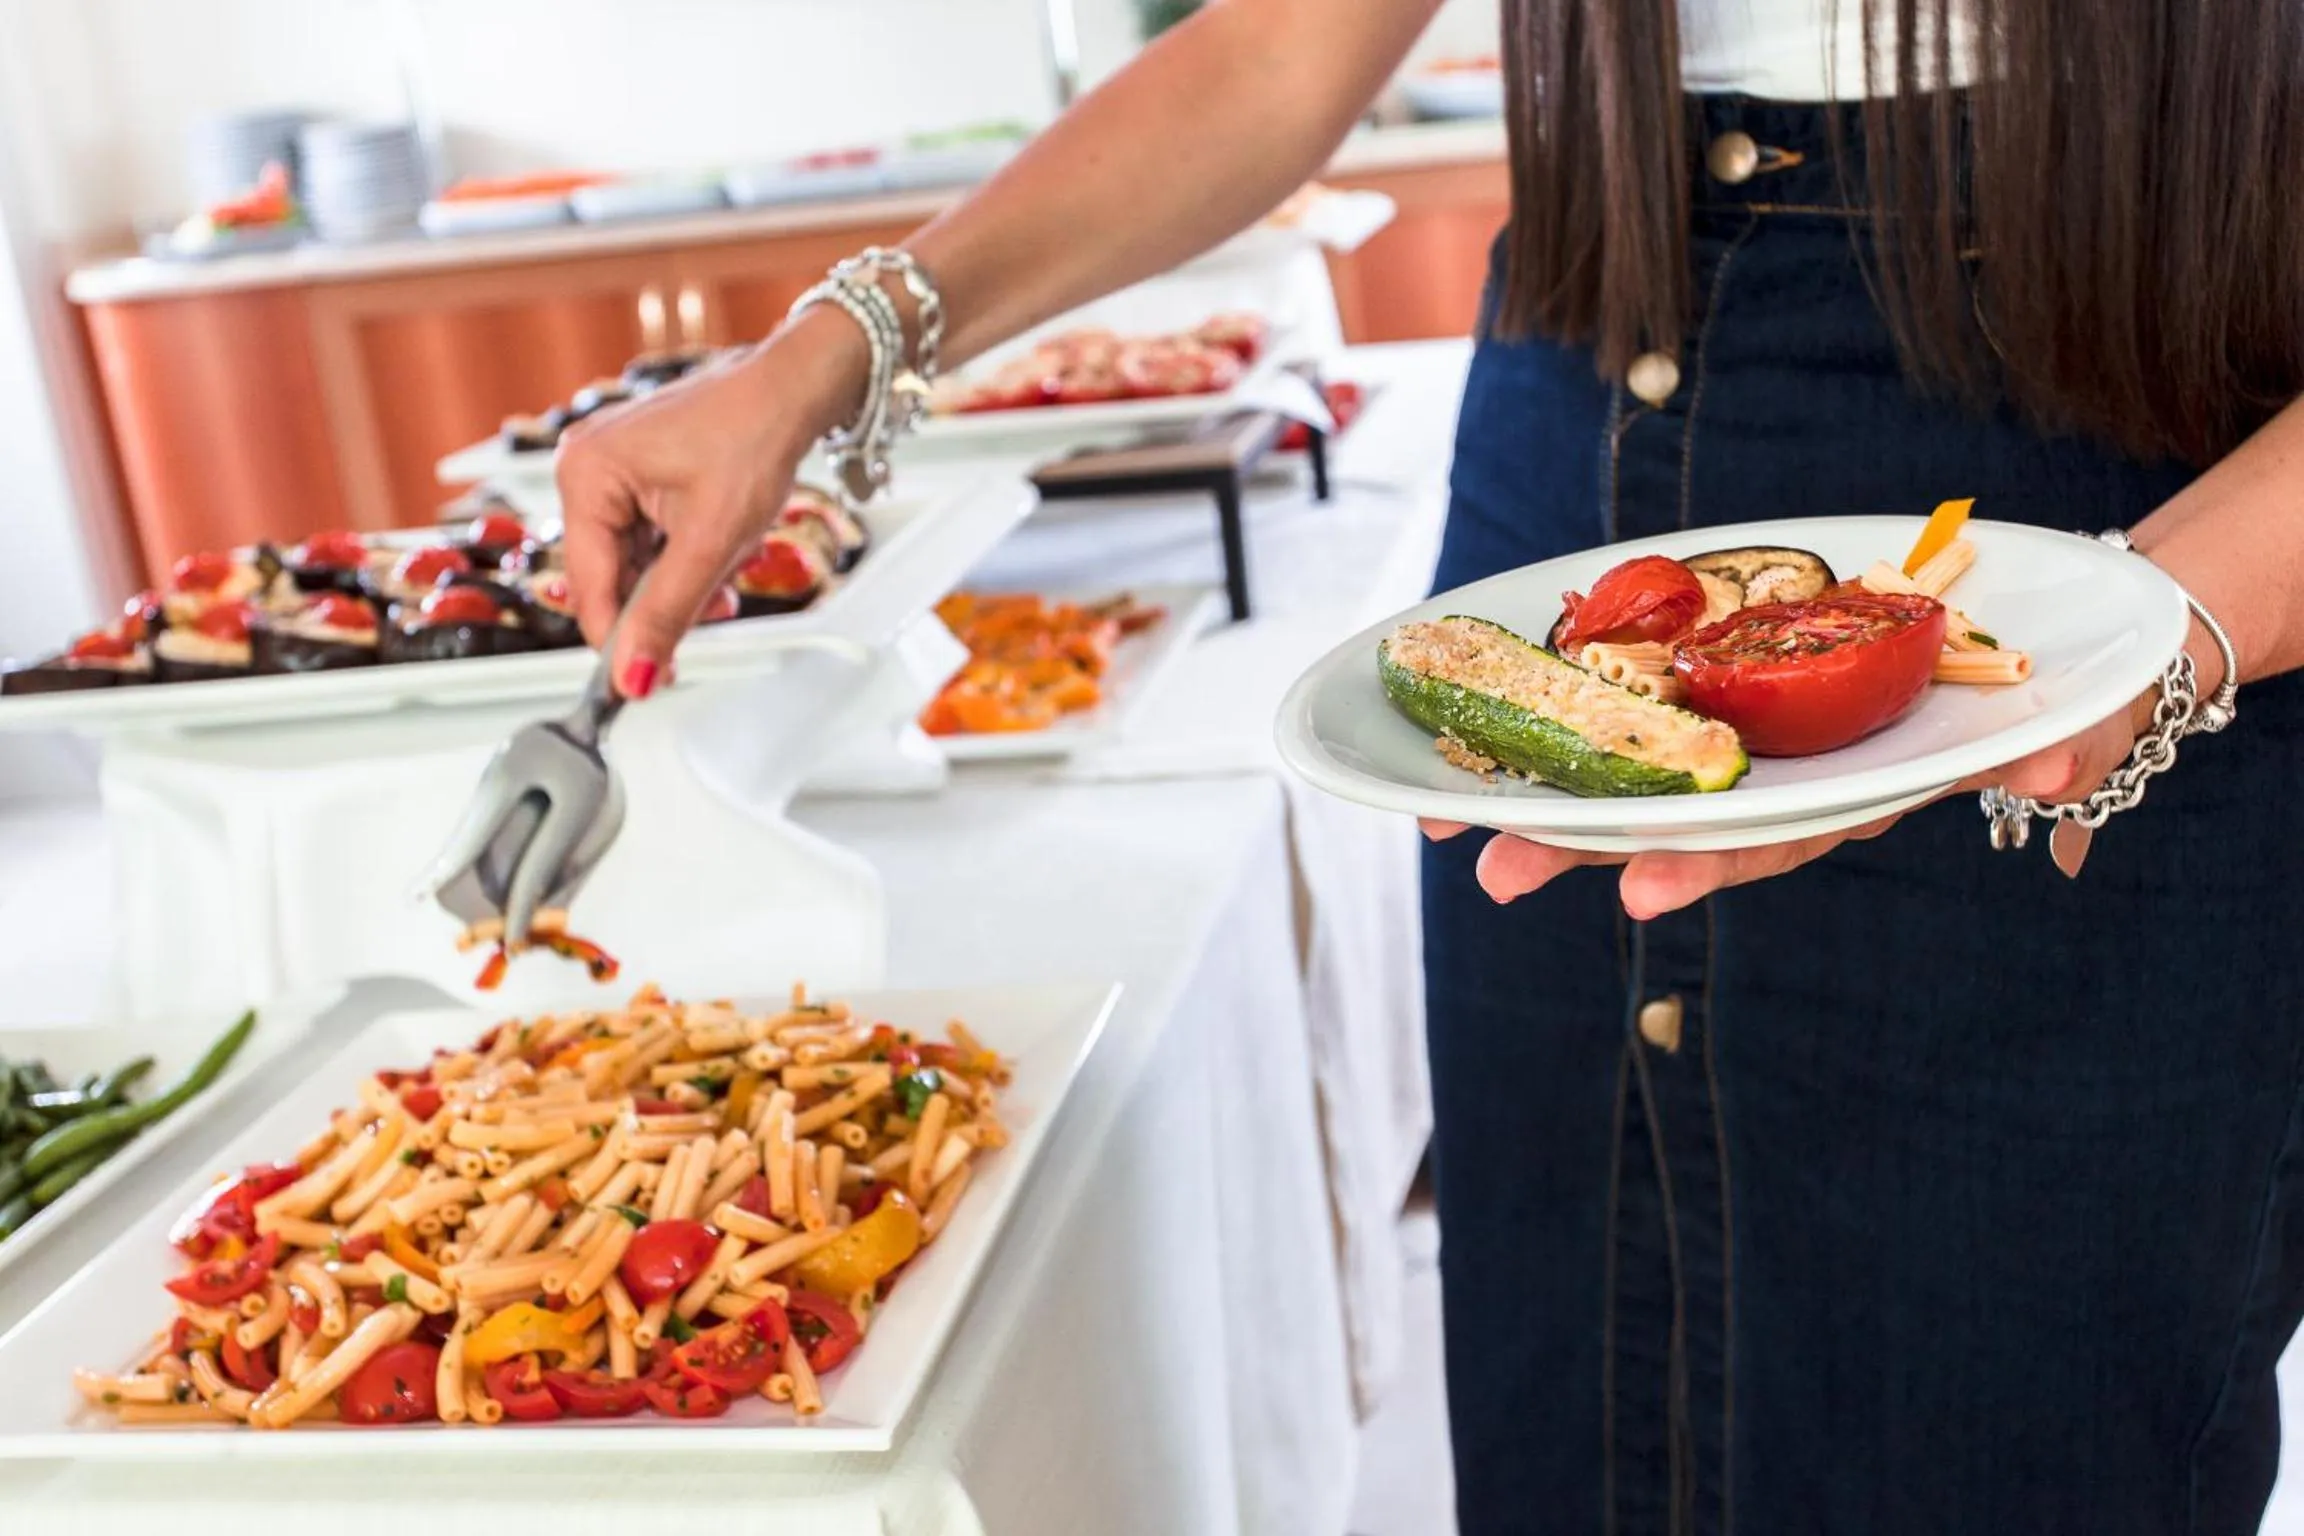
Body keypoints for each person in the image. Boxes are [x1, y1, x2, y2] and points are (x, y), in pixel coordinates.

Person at [556, 1, 2304, 1530]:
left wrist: (2148, 631)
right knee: (1594, 1425)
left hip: (2118, 475)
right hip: (1592, 408)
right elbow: (1278, 48)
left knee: (2006, 1428)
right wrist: (826, 355)